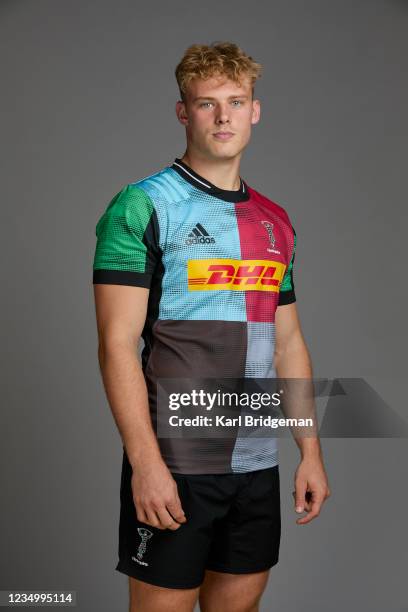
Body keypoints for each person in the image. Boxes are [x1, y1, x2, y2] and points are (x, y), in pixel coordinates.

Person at [92, 41, 331, 612]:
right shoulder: (142, 206)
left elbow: (289, 343)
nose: (223, 116)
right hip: (176, 461)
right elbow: (117, 344)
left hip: (255, 464)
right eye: (206, 104)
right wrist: (146, 466)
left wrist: (311, 450)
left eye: (235, 101)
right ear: (183, 112)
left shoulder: (275, 221)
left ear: (255, 110)